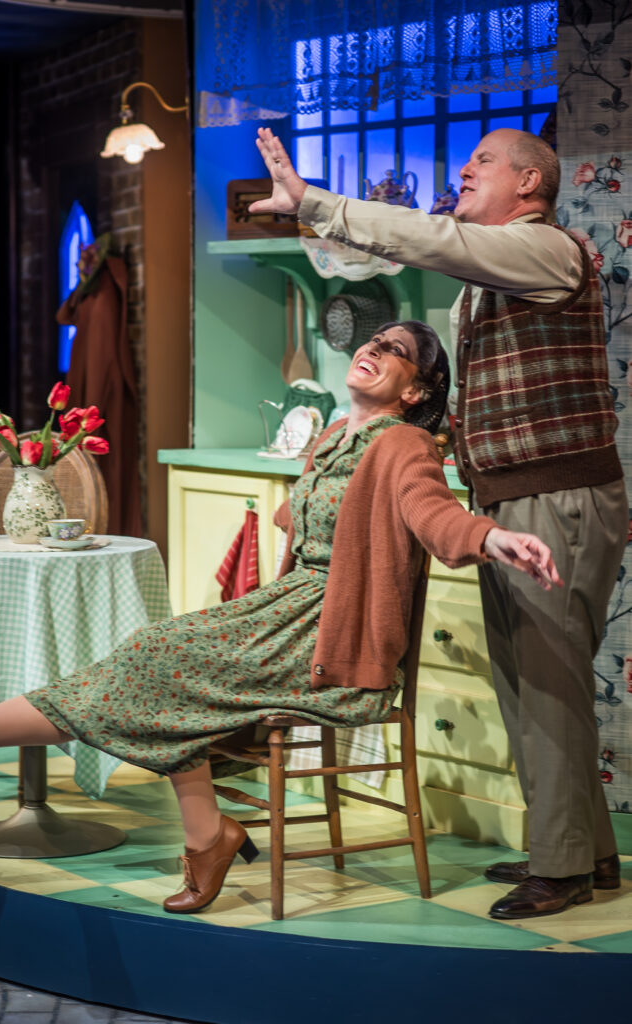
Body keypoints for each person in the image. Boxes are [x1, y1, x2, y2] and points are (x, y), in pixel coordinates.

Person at [0, 320, 560, 916]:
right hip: (288, 608)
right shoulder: (334, 435)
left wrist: (493, 540)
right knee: (159, 659)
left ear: (414, 390)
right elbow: (302, 522)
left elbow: (432, 512)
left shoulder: (404, 445)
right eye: (371, 341)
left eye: (393, 351)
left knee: (158, 656)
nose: (371, 349)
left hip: (327, 630)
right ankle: (203, 835)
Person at [250, 125, 626, 920]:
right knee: (531, 680)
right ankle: (582, 854)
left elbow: (434, 240)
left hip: (553, 495)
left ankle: (560, 869)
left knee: (547, 680)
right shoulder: (492, 274)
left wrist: (316, 205)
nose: (463, 169)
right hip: (514, 495)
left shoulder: (547, 249)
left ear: (529, 184)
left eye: (482, 161)